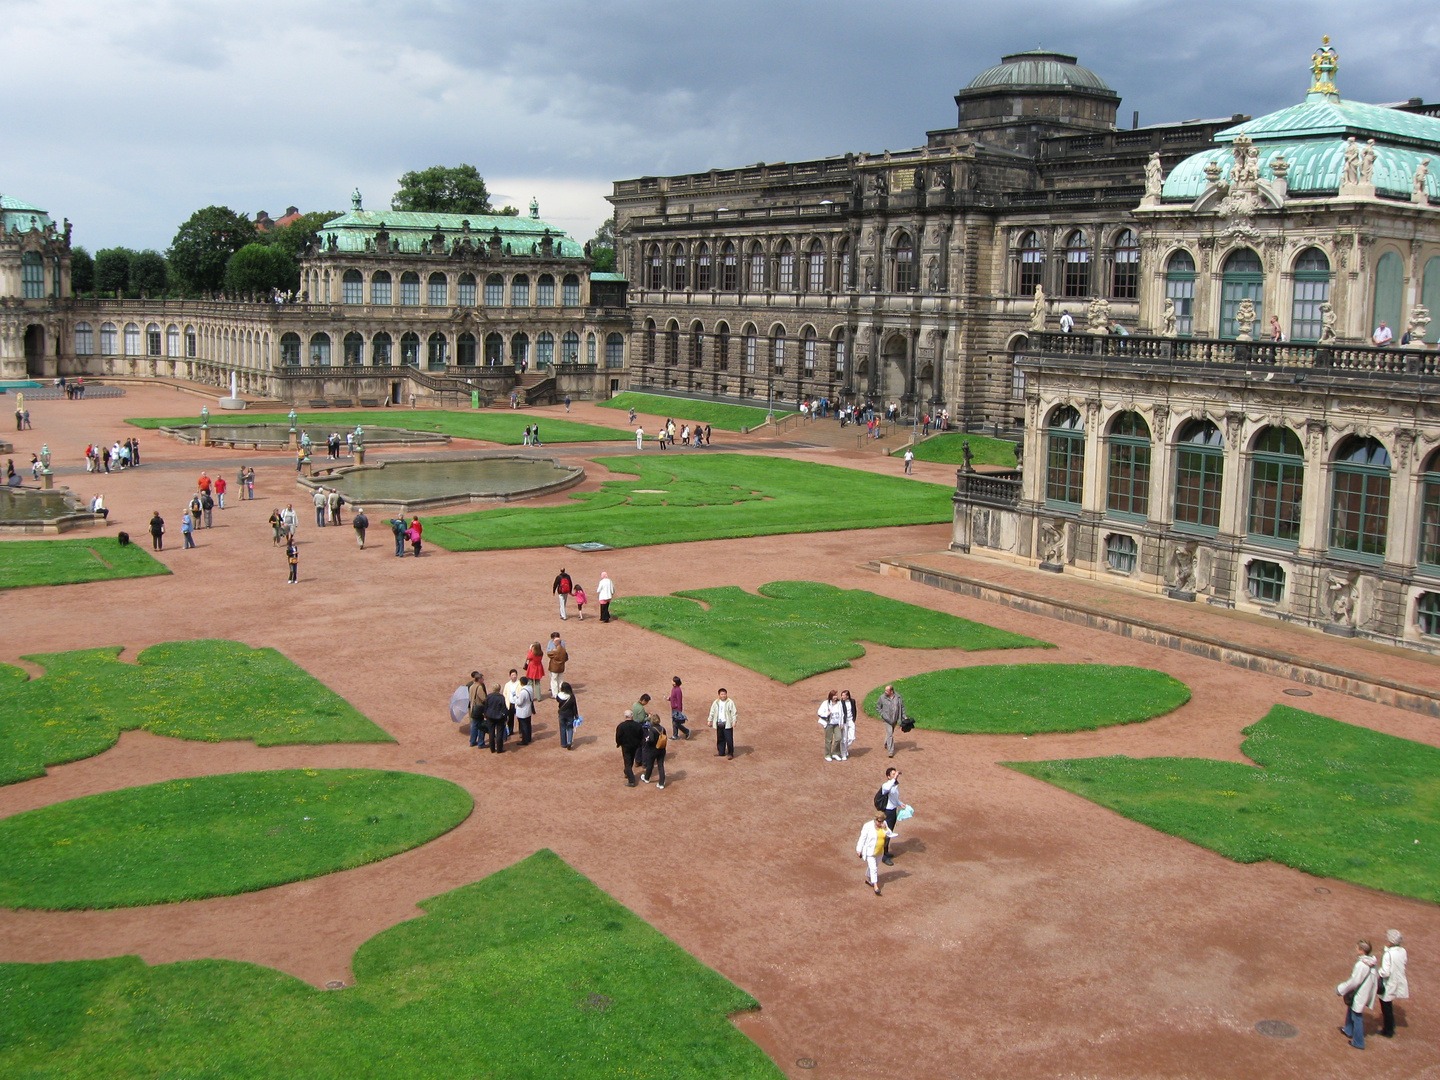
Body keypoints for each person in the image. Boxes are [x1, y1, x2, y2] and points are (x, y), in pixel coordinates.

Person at [1337, 939, 1380, 1049]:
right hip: (1363, 992)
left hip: (1360, 993)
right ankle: (1348, 1029)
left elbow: (1354, 982)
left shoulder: (1362, 965)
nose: (1356, 950)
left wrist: (1341, 989)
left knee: (1357, 1016)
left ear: (1362, 951)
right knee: (1352, 1008)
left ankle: (1358, 1042)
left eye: (1357, 948)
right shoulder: (1372, 963)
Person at [1378, 930, 1409, 1038]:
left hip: (1389, 983)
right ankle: (1390, 1026)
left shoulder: (1388, 954)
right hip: (1398, 980)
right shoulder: (1403, 951)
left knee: (1386, 1006)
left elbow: (1385, 972)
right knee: (1388, 1005)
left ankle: (1388, 1030)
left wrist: (1379, 972)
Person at [856, 814, 891, 896]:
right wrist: (859, 849)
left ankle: (868, 876)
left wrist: (885, 827)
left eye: (882, 821)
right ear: (875, 820)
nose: (881, 823)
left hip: (880, 851)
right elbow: (862, 838)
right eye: (879, 821)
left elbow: (889, 833)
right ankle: (876, 886)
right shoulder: (867, 826)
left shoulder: (884, 824)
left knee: (875, 865)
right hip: (870, 852)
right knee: (874, 868)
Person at [879, 767, 907, 865]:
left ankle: (885, 852)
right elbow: (886, 789)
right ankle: (883, 856)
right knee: (886, 833)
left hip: (893, 810)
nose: (895, 775)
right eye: (893, 774)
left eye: (895, 774)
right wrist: (894, 779)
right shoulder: (886, 785)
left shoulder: (894, 785)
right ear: (888, 776)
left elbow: (894, 798)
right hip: (887, 812)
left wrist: (900, 803)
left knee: (889, 832)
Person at [615, 709, 644, 786]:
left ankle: (631, 780)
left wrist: (618, 743)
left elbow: (618, 736)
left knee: (627, 762)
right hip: (634, 746)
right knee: (631, 759)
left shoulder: (621, 726)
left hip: (626, 746)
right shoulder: (638, 725)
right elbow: (641, 735)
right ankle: (627, 772)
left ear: (625, 716)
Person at [876, 684, 905, 758]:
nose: (885, 692)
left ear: (891, 691)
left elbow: (902, 707)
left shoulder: (898, 697)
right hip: (886, 720)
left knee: (890, 733)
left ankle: (886, 744)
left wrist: (904, 716)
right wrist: (882, 714)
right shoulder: (882, 697)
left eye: (887, 690)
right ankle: (891, 751)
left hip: (895, 719)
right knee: (890, 734)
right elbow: (878, 707)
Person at [708, 687, 736, 758]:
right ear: (719, 695)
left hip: (727, 723)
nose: (723, 695)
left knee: (729, 739)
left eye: (724, 694)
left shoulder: (730, 702)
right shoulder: (716, 702)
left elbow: (734, 712)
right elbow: (712, 711)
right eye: (722, 694)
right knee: (720, 738)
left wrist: (734, 721)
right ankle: (721, 752)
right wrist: (709, 720)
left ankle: (730, 753)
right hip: (719, 723)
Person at [642, 717, 668, 788]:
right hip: (661, 749)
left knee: (650, 764)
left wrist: (647, 739)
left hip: (653, 750)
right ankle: (661, 783)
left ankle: (647, 778)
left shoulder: (651, 730)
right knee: (661, 766)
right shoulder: (663, 729)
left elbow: (651, 740)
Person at [819, 690, 845, 761]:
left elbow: (842, 714)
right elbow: (819, 712)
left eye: (836, 695)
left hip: (837, 724)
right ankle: (827, 754)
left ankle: (835, 753)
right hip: (829, 724)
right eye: (834, 695)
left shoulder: (839, 703)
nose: (836, 697)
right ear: (831, 696)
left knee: (838, 738)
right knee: (828, 740)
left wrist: (842, 723)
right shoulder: (826, 703)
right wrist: (827, 714)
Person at [482, 688, 510, 753]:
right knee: (499, 733)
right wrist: (506, 717)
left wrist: (485, 715)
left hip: (490, 716)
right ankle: (499, 749)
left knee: (491, 732)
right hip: (499, 717)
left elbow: (486, 706)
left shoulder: (489, 696)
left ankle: (492, 748)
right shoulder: (501, 697)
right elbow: (504, 708)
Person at [513, 675, 536, 745]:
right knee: (528, 724)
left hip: (523, 711)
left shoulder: (523, 692)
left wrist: (515, 698)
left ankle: (525, 740)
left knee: (524, 726)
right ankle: (528, 738)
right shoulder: (530, 688)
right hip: (528, 710)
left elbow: (519, 702)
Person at [546, 632, 568, 699]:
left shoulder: (556, 651)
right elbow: (566, 657)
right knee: (560, 680)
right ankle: (561, 692)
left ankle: (555, 694)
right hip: (561, 666)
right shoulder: (563, 650)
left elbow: (549, 654)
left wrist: (553, 650)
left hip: (554, 667)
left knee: (554, 681)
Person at [839, 689, 858, 760]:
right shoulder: (840, 702)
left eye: (844, 695)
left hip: (850, 720)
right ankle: (843, 753)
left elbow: (854, 710)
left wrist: (854, 719)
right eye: (842, 695)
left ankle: (844, 749)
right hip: (844, 721)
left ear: (848, 696)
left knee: (852, 738)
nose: (842, 697)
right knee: (844, 738)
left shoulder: (852, 701)